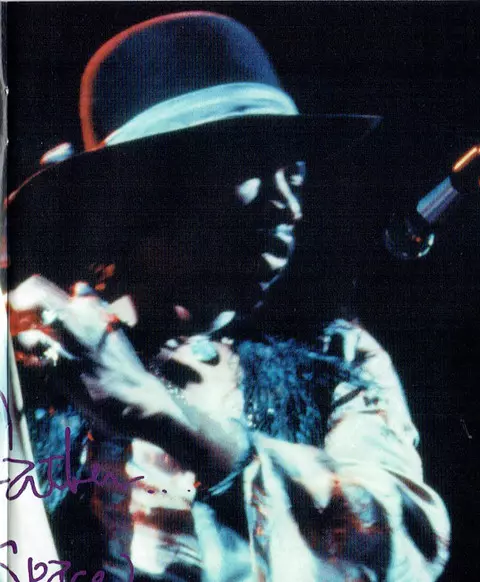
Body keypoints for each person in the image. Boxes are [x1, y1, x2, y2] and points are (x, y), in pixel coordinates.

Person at [7, 12, 450, 582]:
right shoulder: (30, 351)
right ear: (150, 188)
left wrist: (162, 412)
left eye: (295, 173)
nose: (287, 205)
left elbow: (402, 549)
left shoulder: (335, 359)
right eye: (253, 167)